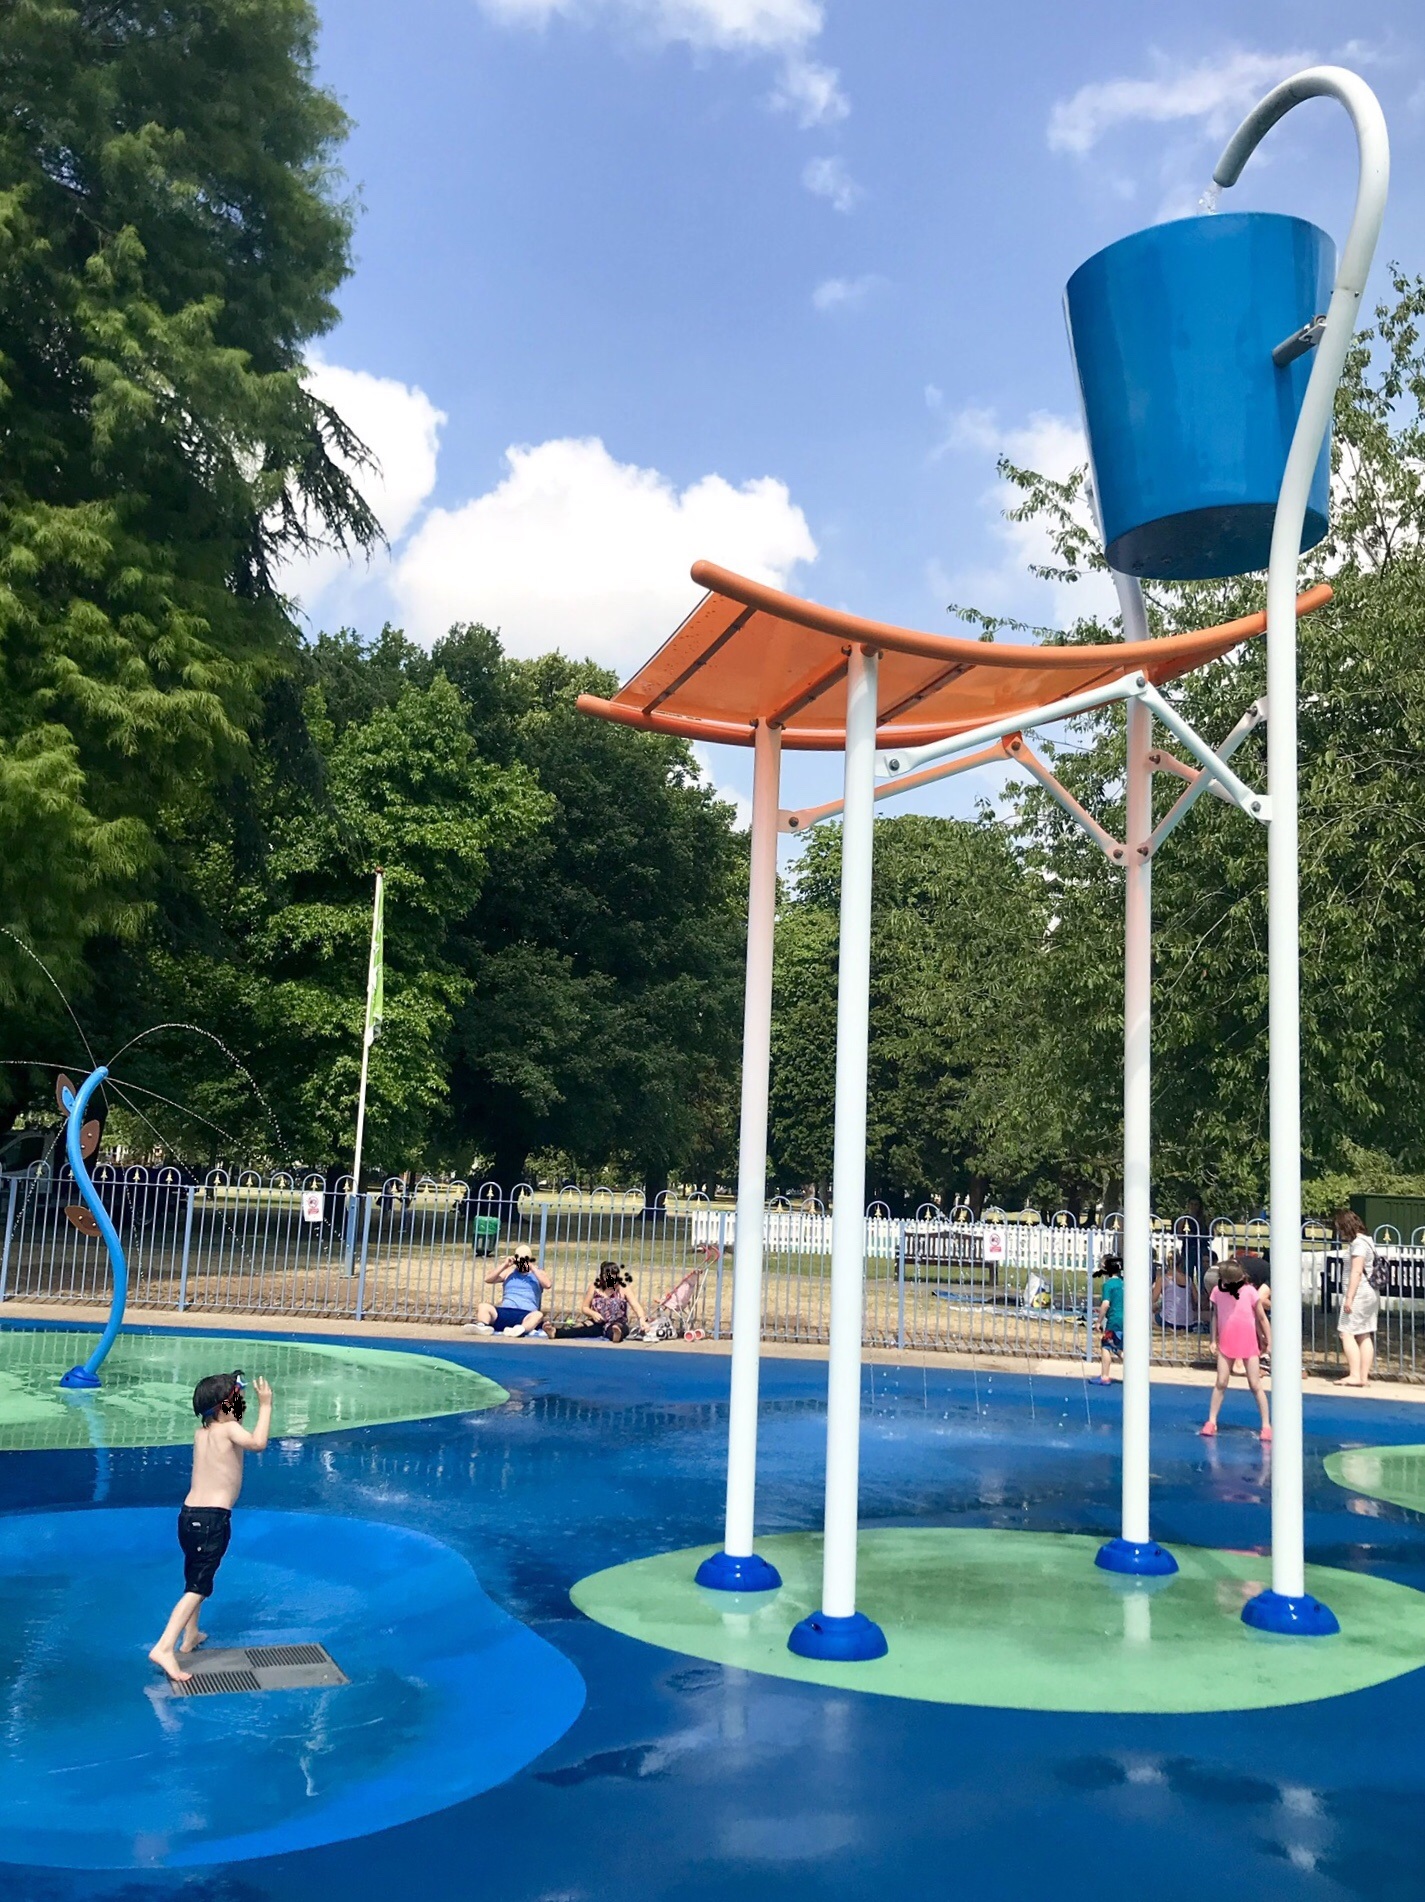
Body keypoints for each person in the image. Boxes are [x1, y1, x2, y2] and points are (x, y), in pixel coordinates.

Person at [149, 1370, 273, 1684]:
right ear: (223, 1406)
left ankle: (190, 1634)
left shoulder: (202, 1433)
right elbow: (258, 1443)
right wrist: (267, 1405)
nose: (244, 1404)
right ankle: (164, 1647)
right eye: (239, 1399)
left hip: (189, 1516)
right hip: (211, 1520)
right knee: (198, 1587)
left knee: (195, 1573)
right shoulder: (229, 1430)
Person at [1200, 1259, 1270, 1439]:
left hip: (1248, 1342)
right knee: (1221, 1382)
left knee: (1255, 1384)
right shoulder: (1218, 1292)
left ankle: (1266, 1425)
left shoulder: (1250, 1292)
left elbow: (1261, 1318)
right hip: (1226, 1342)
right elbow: (1216, 1316)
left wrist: (1268, 1341)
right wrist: (1213, 1339)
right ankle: (1212, 1421)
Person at [1335, 1209, 1380, 1388]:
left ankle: (1354, 1374)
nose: (1339, 1232)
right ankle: (1363, 1376)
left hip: (1359, 1293)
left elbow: (1356, 1271)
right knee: (1364, 1333)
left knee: (1346, 1332)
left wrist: (1349, 1298)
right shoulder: (1368, 1241)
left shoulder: (1358, 1244)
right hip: (1371, 1293)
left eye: (1340, 1228)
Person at [469, 1241, 551, 1337]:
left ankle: (520, 1329)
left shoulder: (538, 1274)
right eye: (518, 1262)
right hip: (505, 1311)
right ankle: (482, 1326)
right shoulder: (509, 1273)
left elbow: (547, 1285)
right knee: (483, 1306)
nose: (521, 1264)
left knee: (538, 1315)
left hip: (526, 1314)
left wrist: (532, 1267)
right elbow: (488, 1279)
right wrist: (505, 1265)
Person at [562, 1260, 647, 1342]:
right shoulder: (594, 1287)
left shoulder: (623, 1288)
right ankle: (557, 1332)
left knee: (617, 1327)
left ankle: (616, 1335)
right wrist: (593, 1314)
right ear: (603, 1277)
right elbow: (585, 1307)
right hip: (597, 1322)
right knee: (579, 1329)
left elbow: (636, 1305)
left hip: (617, 1321)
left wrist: (642, 1319)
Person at [1096, 1253, 1124, 1385]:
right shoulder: (1124, 1283)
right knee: (1118, 1345)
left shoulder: (1108, 1285)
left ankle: (1105, 1376)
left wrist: (1099, 1321)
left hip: (1114, 1320)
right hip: (1127, 1320)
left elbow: (1106, 1304)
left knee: (1106, 1345)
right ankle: (1134, 1373)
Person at [1153, 1253, 1198, 1331]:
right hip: (1188, 1322)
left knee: (1147, 1318)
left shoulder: (1163, 1279)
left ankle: (1166, 1329)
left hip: (1168, 1320)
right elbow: (1197, 1299)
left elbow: (1153, 1299)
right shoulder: (1189, 1280)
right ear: (1181, 1264)